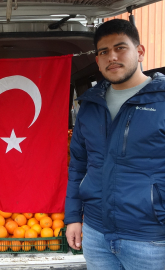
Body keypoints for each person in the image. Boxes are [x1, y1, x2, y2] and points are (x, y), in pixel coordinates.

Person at [65, 19, 165, 269]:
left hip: (150, 239)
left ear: (140, 52)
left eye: (120, 48)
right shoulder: (89, 106)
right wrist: (74, 218)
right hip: (96, 234)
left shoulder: (162, 102)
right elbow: (78, 165)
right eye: (104, 52)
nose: (112, 56)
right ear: (97, 60)